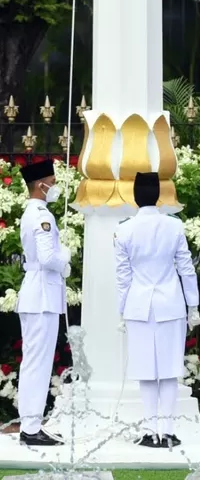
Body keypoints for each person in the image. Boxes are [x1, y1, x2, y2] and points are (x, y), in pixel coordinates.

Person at [114, 172, 200, 448]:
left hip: (139, 305)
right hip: (171, 304)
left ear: (136, 198)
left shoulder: (124, 228)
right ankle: (169, 430)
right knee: (169, 369)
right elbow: (186, 269)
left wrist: (121, 310)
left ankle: (152, 431)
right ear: (159, 196)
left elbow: (123, 276)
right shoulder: (174, 227)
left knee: (146, 370)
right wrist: (193, 305)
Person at [16, 159, 71, 446]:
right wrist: (66, 259)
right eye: (53, 181)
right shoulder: (41, 216)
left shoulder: (34, 213)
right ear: (41, 185)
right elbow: (49, 259)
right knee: (37, 363)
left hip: (38, 295)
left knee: (34, 361)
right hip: (42, 297)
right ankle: (31, 427)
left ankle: (31, 424)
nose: (55, 186)